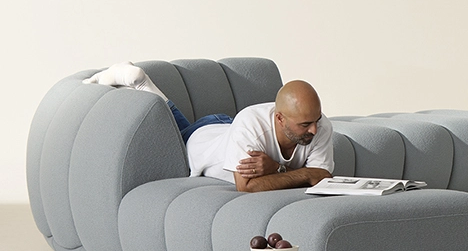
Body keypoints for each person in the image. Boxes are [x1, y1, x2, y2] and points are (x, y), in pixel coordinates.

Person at [84, 63, 334, 193]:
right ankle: (139, 82)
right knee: (180, 133)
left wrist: (277, 168)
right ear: (279, 119)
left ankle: (139, 80)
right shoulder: (253, 123)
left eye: (316, 120)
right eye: (304, 125)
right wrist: (302, 173)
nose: (314, 130)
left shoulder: (321, 126)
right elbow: (246, 186)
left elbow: (322, 177)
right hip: (202, 140)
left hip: (226, 130)